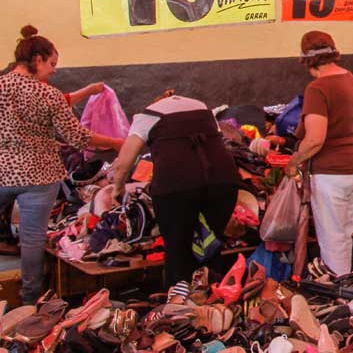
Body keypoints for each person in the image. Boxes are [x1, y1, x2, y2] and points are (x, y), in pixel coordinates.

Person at [0, 26, 122, 303]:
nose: (53, 70)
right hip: (40, 177)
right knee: (32, 241)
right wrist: (115, 142)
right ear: (38, 59)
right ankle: (30, 302)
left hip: (3, 173)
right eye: (52, 64)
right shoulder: (48, 94)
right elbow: (78, 137)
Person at [110, 91, 239, 285]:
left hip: (175, 188)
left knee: (177, 248)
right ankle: (214, 294)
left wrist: (117, 189)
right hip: (223, 183)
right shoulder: (202, 108)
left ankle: (179, 298)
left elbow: (124, 162)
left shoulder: (148, 116)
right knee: (211, 242)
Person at [284, 31, 353, 275]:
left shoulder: (318, 88)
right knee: (343, 236)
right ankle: (345, 283)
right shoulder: (351, 79)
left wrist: (293, 162)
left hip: (333, 172)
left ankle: (338, 291)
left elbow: (315, 139)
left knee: (332, 239)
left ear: (306, 60)